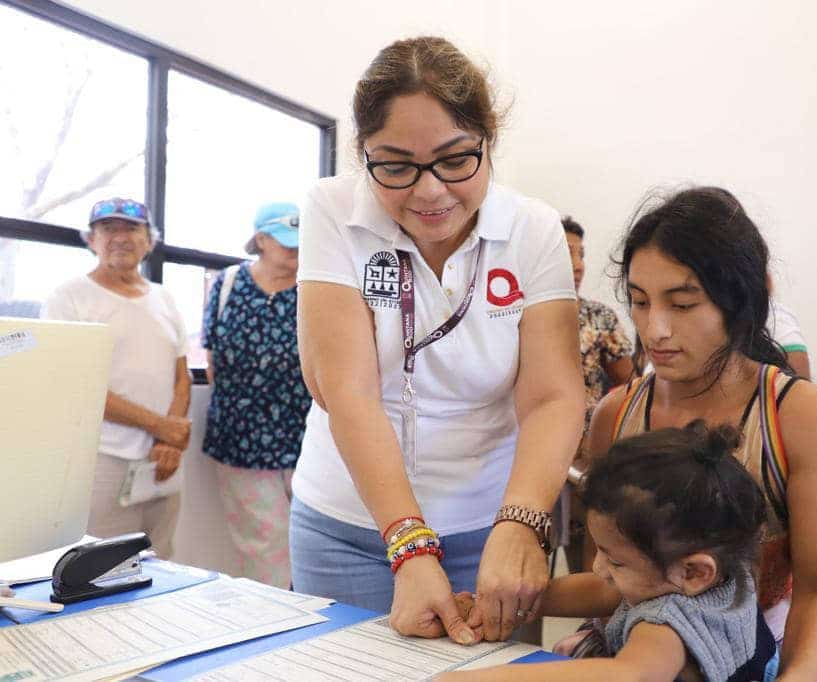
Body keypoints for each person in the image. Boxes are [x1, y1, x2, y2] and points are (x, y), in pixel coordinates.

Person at [290, 36, 585, 645]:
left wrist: (521, 523)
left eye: (455, 160)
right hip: (345, 524)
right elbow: (345, 389)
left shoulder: (533, 230)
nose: (429, 192)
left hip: (491, 525)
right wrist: (408, 543)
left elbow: (553, 397)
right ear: (363, 154)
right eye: (395, 166)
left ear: (488, 141)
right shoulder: (333, 209)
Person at [585, 187, 817, 679]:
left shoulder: (799, 416)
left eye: (683, 304)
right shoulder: (615, 414)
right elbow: (608, 577)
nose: (655, 329)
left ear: (740, 304)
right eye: (640, 302)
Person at [440, 422, 779, 682]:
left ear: (695, 572)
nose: (599, 567)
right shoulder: (715, 566)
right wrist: (510, 603)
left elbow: (628, 675)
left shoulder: (668, 623)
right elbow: (604, 590)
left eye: (615, 560)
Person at [42, 197, 191, 558]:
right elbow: (76, 384)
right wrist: (162, 426)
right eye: (109, 229)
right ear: (91, 240)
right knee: (100, 569)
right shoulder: (68, 298)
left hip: (163, 459)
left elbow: (181, 377)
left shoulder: (164, 299)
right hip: (101, 460)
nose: (120, 237)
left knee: (163, 563)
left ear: (149, 241)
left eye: (132, 229)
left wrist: (168, 440)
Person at [201, 202, 312, 588]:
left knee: (315, 542)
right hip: (241, 439)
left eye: (302, 241)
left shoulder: (317, 288)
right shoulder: (228, 284)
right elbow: (213, 359)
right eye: (287, 242)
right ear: (261, 240)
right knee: (262, 546)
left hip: (310, 438)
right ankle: (276, 630)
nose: (296, 250)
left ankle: (320, 629)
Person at [562, 216, 633, 431]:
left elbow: (630, 386)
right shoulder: (514, 315)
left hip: (584, 441)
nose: (578, 266)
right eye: (567, 254)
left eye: (581, 255)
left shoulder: (599, 316)